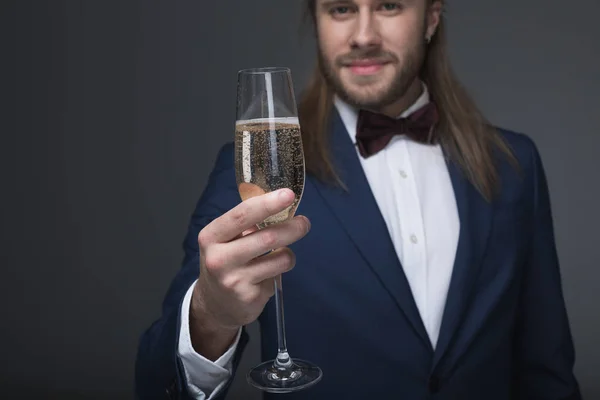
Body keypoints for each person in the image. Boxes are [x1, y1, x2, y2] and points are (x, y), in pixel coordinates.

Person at [135, 0, 582, 399]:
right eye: (341, 9)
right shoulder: (253, 169)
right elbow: (157, 384)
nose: (364, 36)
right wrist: (212, 316)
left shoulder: (514, 163)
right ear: (316, 20)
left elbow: (546, 366)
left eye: (388, 6)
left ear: (431, 16)